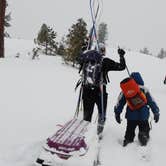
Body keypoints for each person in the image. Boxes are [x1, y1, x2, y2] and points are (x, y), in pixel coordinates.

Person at [79, 43, 126, 136]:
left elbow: (79, 59)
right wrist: (121, 55)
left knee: (87, 113)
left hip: (87, 89)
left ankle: (84, 133)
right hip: (100, 91)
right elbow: (122, 67)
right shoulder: (105, 61)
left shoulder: (86, 57)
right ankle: (98, 133)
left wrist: (83, 50)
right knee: (102, 112)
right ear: (103, 51)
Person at [114, 72, 160, 146]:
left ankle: (128, 142)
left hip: (131, 116)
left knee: (130, 131)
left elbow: (120, 102)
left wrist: (117, 113)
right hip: (143, 116)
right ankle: (143, 139)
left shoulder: (126, 90)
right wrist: (156, 112)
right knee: (144, 129)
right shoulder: (144, 89)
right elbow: (152, 102)